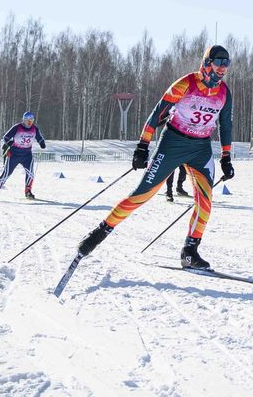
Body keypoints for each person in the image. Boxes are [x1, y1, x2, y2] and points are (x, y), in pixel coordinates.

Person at [75, 45, 234, 270]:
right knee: (142, 195)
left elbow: (226, 126)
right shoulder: (186, 83)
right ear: (207, 63)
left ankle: (190, 252)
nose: (223, 68)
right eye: (219, 62)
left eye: (227, 64)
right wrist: (143, 145)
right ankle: (98, 233)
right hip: (173, 142)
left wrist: (226, 157)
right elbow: (157, 113)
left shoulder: (224, 92)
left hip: (201, 148)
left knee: (205, 201)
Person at [0, 112, 47, 202]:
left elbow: (40, 138)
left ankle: (28, 191)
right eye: (27, 120)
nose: (29, 122)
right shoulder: (17, 127)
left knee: (31, 174)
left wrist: (42, 143)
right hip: (14, 154)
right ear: (24, 120)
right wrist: (8, 143)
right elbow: (5, 137)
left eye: (31, 120)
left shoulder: (35, 129)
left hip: (27, 155)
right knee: (6, 174)